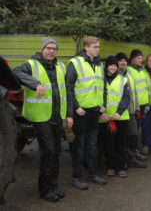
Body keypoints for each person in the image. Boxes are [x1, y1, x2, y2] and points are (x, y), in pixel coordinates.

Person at [13, 37, 66, 202]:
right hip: (41, 116)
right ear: (42, 48)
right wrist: (35, 83)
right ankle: (44, 190)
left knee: (56, 152)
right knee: (48, 151)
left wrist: (68, 115)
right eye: (48, 48)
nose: (51, 51)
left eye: (54, 48)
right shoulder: (32, 64)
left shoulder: (60, 66)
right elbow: (16, 72)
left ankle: (53, 187)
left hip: (57, 115)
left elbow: (66, 90)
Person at [66, 36, 107, 190]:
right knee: (78, 146)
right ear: (87, 47)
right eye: (95, 47)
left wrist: (102, 104)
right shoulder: (75, 63)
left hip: (94, 112)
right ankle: (77, 177)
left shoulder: (98, 64)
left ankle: (93, 174)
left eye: (98, 47)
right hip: (80, 112)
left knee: (91, 145)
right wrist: (76, 107)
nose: (98, 49)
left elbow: (103, 87)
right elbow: (68, 87)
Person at [99, 56, 130, 178]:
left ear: (117, 67)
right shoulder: (100, 80)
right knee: (108, 144)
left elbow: (126, 97)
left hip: (120, 118)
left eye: (114, 65)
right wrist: (101, 113)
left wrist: (119, 112)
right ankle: (110, 166)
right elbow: (98, 97)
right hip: (105, 118)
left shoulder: (123, 80)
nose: (112, 67)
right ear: (106, 66)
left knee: (120, 144)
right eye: (110, 65)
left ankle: (121, 167)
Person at [116, 52, 147, 168]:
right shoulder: (115, 75)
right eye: (120, 61)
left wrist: (137, 108)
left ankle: (131, 157)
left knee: (133, 134)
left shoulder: (129, 74)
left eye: (124, 60)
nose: (123, 62)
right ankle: (126, 159)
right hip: (120, 112)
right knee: (124, 137)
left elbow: (134, 92)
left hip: (132, 110)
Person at [127, 49, 149, 155]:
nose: (140, 60)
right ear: (132, 59)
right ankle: (132, 152)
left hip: (143, 104)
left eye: (141, 58)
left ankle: (135, 151)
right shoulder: (129, 70)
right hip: (135, 106)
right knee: (133, 131)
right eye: (138, 58)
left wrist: (147, 103)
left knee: (138, 129)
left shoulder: (142, 70)